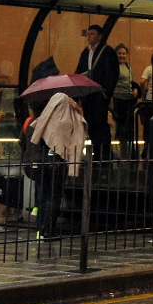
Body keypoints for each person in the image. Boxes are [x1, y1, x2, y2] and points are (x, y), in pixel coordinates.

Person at [26, 92, 87, 239]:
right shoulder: (70, 120)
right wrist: (78, 109)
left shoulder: (45, 118)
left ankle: (40, 229)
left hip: (42, 160)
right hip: (58, 162)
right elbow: (82, 130)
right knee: (54, 197)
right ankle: (49, 230)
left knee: (43, 196)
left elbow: (35, 132)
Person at [75, 24, 118, 162]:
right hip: (88, 94)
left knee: (101, 122)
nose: (89, 37)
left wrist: (106, 92)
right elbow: (79, 71)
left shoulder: (107, 51)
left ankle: (104, 153)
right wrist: (80, 94)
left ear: (100, 36)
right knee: (91, 123)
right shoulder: (86, 52)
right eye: (88, 34)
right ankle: (97, 151)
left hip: (99, 93)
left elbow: (113, 73)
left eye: (92, 34)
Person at [111, 44, 138, 158]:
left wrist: (135, 89)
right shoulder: (112, 67)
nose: (121, 55)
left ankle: (126, 152)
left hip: (129, 100)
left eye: (124, 53)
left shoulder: (128, 66)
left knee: (128, 127)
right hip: (118, 99)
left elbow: (131, 81)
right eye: (119, 53)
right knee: (120, 127)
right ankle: (119, 152)